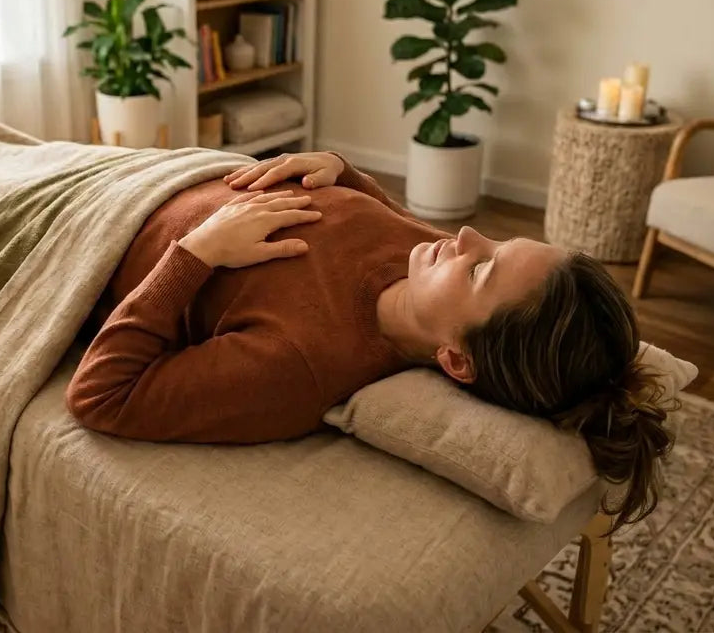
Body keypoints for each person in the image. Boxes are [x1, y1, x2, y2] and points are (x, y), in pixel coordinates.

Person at [66, 151, 674, 530]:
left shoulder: (299, 365)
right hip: (157, 168)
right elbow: (375, 224)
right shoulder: (427, 264)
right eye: (497, 242)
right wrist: (341, 172)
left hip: (92, 219)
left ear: (456, 360)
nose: (464, 236)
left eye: (480, 270)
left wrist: (196, 253)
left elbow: (102, 395)